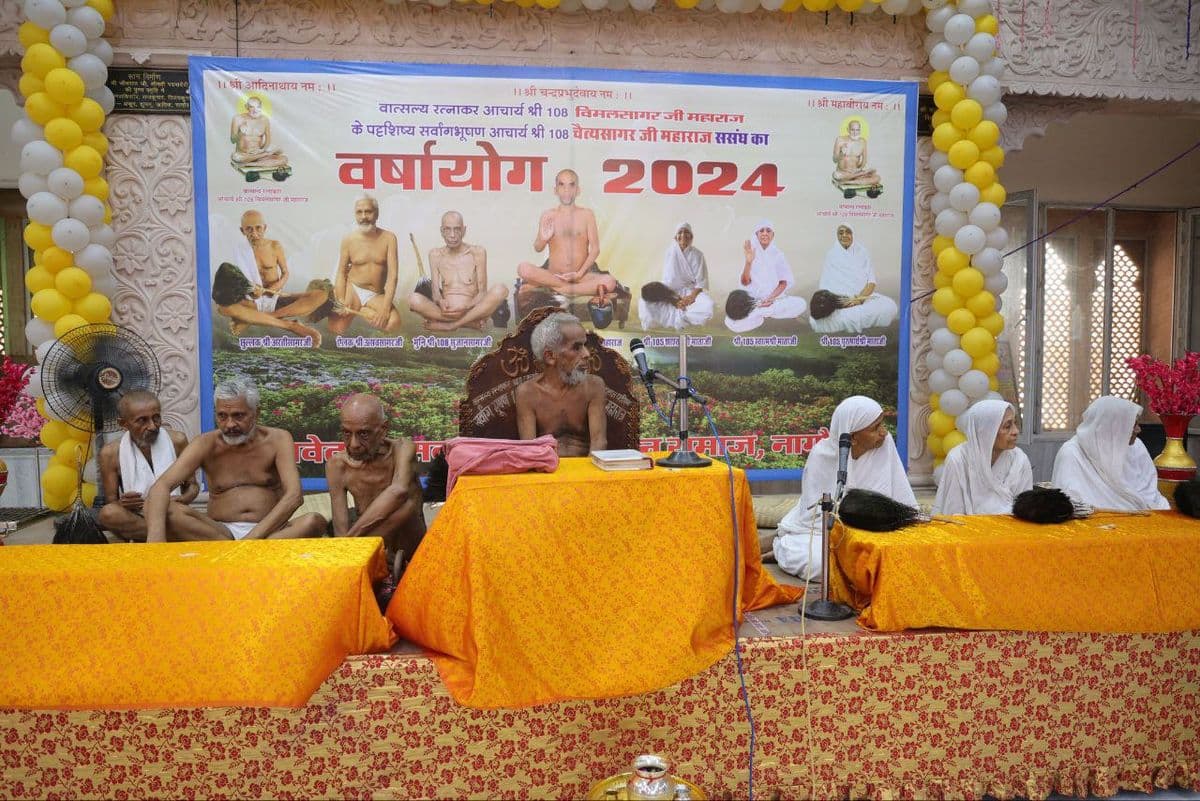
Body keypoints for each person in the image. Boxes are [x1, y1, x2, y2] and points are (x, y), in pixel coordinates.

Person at [144, 378, 327, 542]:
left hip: (270, 533)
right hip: (219, 533)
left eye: (238, 416)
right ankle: (241, 551)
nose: (230, 424)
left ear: (256, 413)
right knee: (159, 506)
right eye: (222, 416)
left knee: (314, 521)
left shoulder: (278, 439)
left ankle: (237, 552)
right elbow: (161, 486)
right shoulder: (205, 443)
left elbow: (294, 496)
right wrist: (156, 544)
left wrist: (251, 539)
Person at [774, 396, 916, 581]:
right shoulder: (821, 455)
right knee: (819, 563)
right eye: (875, 428)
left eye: (883, 424)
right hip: (829, 533)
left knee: (898, 557)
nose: (884, 433)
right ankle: (780, 546)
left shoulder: (884, 445)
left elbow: (900, 497)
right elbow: (816, 518)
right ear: (853, 437)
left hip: (878, 533)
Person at [325, 394, 426, 573]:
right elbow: (341, 530)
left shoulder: (403, 448)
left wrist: (351, 544)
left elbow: (398, 491)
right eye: (347, 433)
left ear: (383, 429)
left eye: (363, 434)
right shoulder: (337, 465)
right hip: (370, 543)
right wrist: (356, 546)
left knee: (406, 506)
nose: (354, 444)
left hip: (409, 542)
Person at [213, 210, 326, 346]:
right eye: (249, 229)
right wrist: (251, 292)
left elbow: (285, 274)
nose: (254, 233)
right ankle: (289, 325)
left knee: (321, 294)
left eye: (258, 228)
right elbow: (238, 281)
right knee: (222, 308)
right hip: (252, 302)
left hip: (275, 298)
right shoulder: (239, 249)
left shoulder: (275, 246)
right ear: (242, 231)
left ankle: (260, 318)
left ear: (265, 228)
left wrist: (269, 290)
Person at [97, 390, 198, 542]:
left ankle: (157, 535)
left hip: (173, 512)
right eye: (142, 420)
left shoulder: (177, 441)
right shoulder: (110, 453)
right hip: (138, 514)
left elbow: (193, 486)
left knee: (179, 515)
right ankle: (178, 536)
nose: (152, 426)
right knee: (108, 514)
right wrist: (124, 503)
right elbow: (112, 501)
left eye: (156, 418)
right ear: (123, 424)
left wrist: (182, 499)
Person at [516, 169, 618, 307]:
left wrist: (579, 274)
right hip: (553, 276)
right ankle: (565, 289)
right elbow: (538, 247)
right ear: (555, 190)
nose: (566, 190)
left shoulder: (587, 215)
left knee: (610, 281)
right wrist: (544, 238)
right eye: (562, 185)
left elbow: (595, 249)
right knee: (523, 268)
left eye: (571, 185)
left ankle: (559, 290)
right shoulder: (548, 215)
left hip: (581, 277)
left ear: (578, 190)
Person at [1051, 395, 1170, 511]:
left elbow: (1150, 493)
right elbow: (1072, 500)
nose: (1139, 430)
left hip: (1144, 518)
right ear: (1113, 425)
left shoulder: (1137, 446)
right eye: (1133, 425)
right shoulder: (1072, 452)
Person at [514, 312, 607, 457]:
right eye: (577, 348)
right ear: (550, 357)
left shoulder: (594, 386)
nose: (587, 354)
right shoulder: (527, 393)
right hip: (546, 470)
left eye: (585, 345)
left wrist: (587, 478)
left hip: (586, 470)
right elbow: (529, 449)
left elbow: (599, 442)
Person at [408, 211, 508, 331]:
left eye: (457, 229)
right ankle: (470, 324)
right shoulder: (435, 255)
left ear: (464, 230)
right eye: (447, 229)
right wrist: (440, 301)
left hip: (473, 310)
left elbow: (482, 293)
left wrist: (466, 307)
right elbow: (435, 292)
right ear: (441, 231)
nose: (452, 235)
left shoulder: (478, 252)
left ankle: (451, 325)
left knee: (501, 289)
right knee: (413, 299)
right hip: (446, 312)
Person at [933, 399, 1032, 515]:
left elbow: (1025, 510)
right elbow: (953, 512)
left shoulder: (1019, 459)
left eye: (1015, 424)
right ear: (986, 430)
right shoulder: (958, 459)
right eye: (1007, 426)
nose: (1015, 431)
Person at [328, 195, 403, 334]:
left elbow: (393, 276)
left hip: (375, 294)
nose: (364, 216)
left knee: (394, 323)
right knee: (336, 329)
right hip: (354, 288)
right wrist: (341, 300)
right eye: (359, 212)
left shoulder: (389, 238)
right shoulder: (348, 239)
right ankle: (357, 307)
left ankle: (359, 309)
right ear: (355, 215)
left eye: (368, 211)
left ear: (377, 214)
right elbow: (341, 273)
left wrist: (385, 309)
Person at [809, 225, 899, 334]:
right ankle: (845, 319)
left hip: (861, 299)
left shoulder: (863, 252)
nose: (844, 235)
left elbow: (871, 282)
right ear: (837, 236)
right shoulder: (831, 254)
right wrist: (839, 301)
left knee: (889, 306)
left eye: (848, 232)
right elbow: (825, 285)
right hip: (836, 303)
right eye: (841, 233)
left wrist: (858, 300)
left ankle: (835, 323)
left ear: (853, 235)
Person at [724, 220, 808, 333]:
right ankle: (762, 311)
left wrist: (769, 299)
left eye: (768, 230)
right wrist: (748, 262)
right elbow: (744, 282)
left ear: (773, 235)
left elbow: (783, 282)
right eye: (761, 231)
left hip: (773, 300)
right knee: (731, 323)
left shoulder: (778, 255)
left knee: (801, 303)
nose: (765, 233)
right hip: (751, 301)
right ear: (756, 234)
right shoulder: (750, 252)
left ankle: (762, 312)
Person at [637, 222, 714, 331]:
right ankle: (681, 316)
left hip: (690, 292)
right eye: (680, 232)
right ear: (675, 237)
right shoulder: (669, 252)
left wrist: (691, 297)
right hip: (670, 291)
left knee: (708, 305)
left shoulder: (698, 255)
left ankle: (683, 317)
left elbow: (700, 282)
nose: (683, 235)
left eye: (686, 232)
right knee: (644, 302)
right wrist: (673, 299)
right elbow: (667, 280)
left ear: (691, 236)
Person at [230, 96, 288, 169]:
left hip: (258, 153)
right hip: (244, 155)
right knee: (236, 157)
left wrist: (262, 150)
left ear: (261, 107)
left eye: (258, 107)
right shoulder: (238, 118)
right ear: (246, 107)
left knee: (284, 159)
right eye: (252, 107)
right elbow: (232, 140)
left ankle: (248, 164)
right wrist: (241, 133)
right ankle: (260, 160)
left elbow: (268, 140)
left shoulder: (265, 120)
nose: (255, 110)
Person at [832, 119, 880, 185]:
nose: (855, 133)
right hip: (843, 173)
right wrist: (842, 154)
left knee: (877, 178)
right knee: (836, 175)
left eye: (857, 130)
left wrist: (859, 169)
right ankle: (857, 178)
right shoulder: (840, 140)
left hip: (856, 173)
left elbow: (864, 160)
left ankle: (847, 183)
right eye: (852, 130)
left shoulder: (863, 142)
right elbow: (834, 159)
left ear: (860, 130)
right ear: (848, 129)